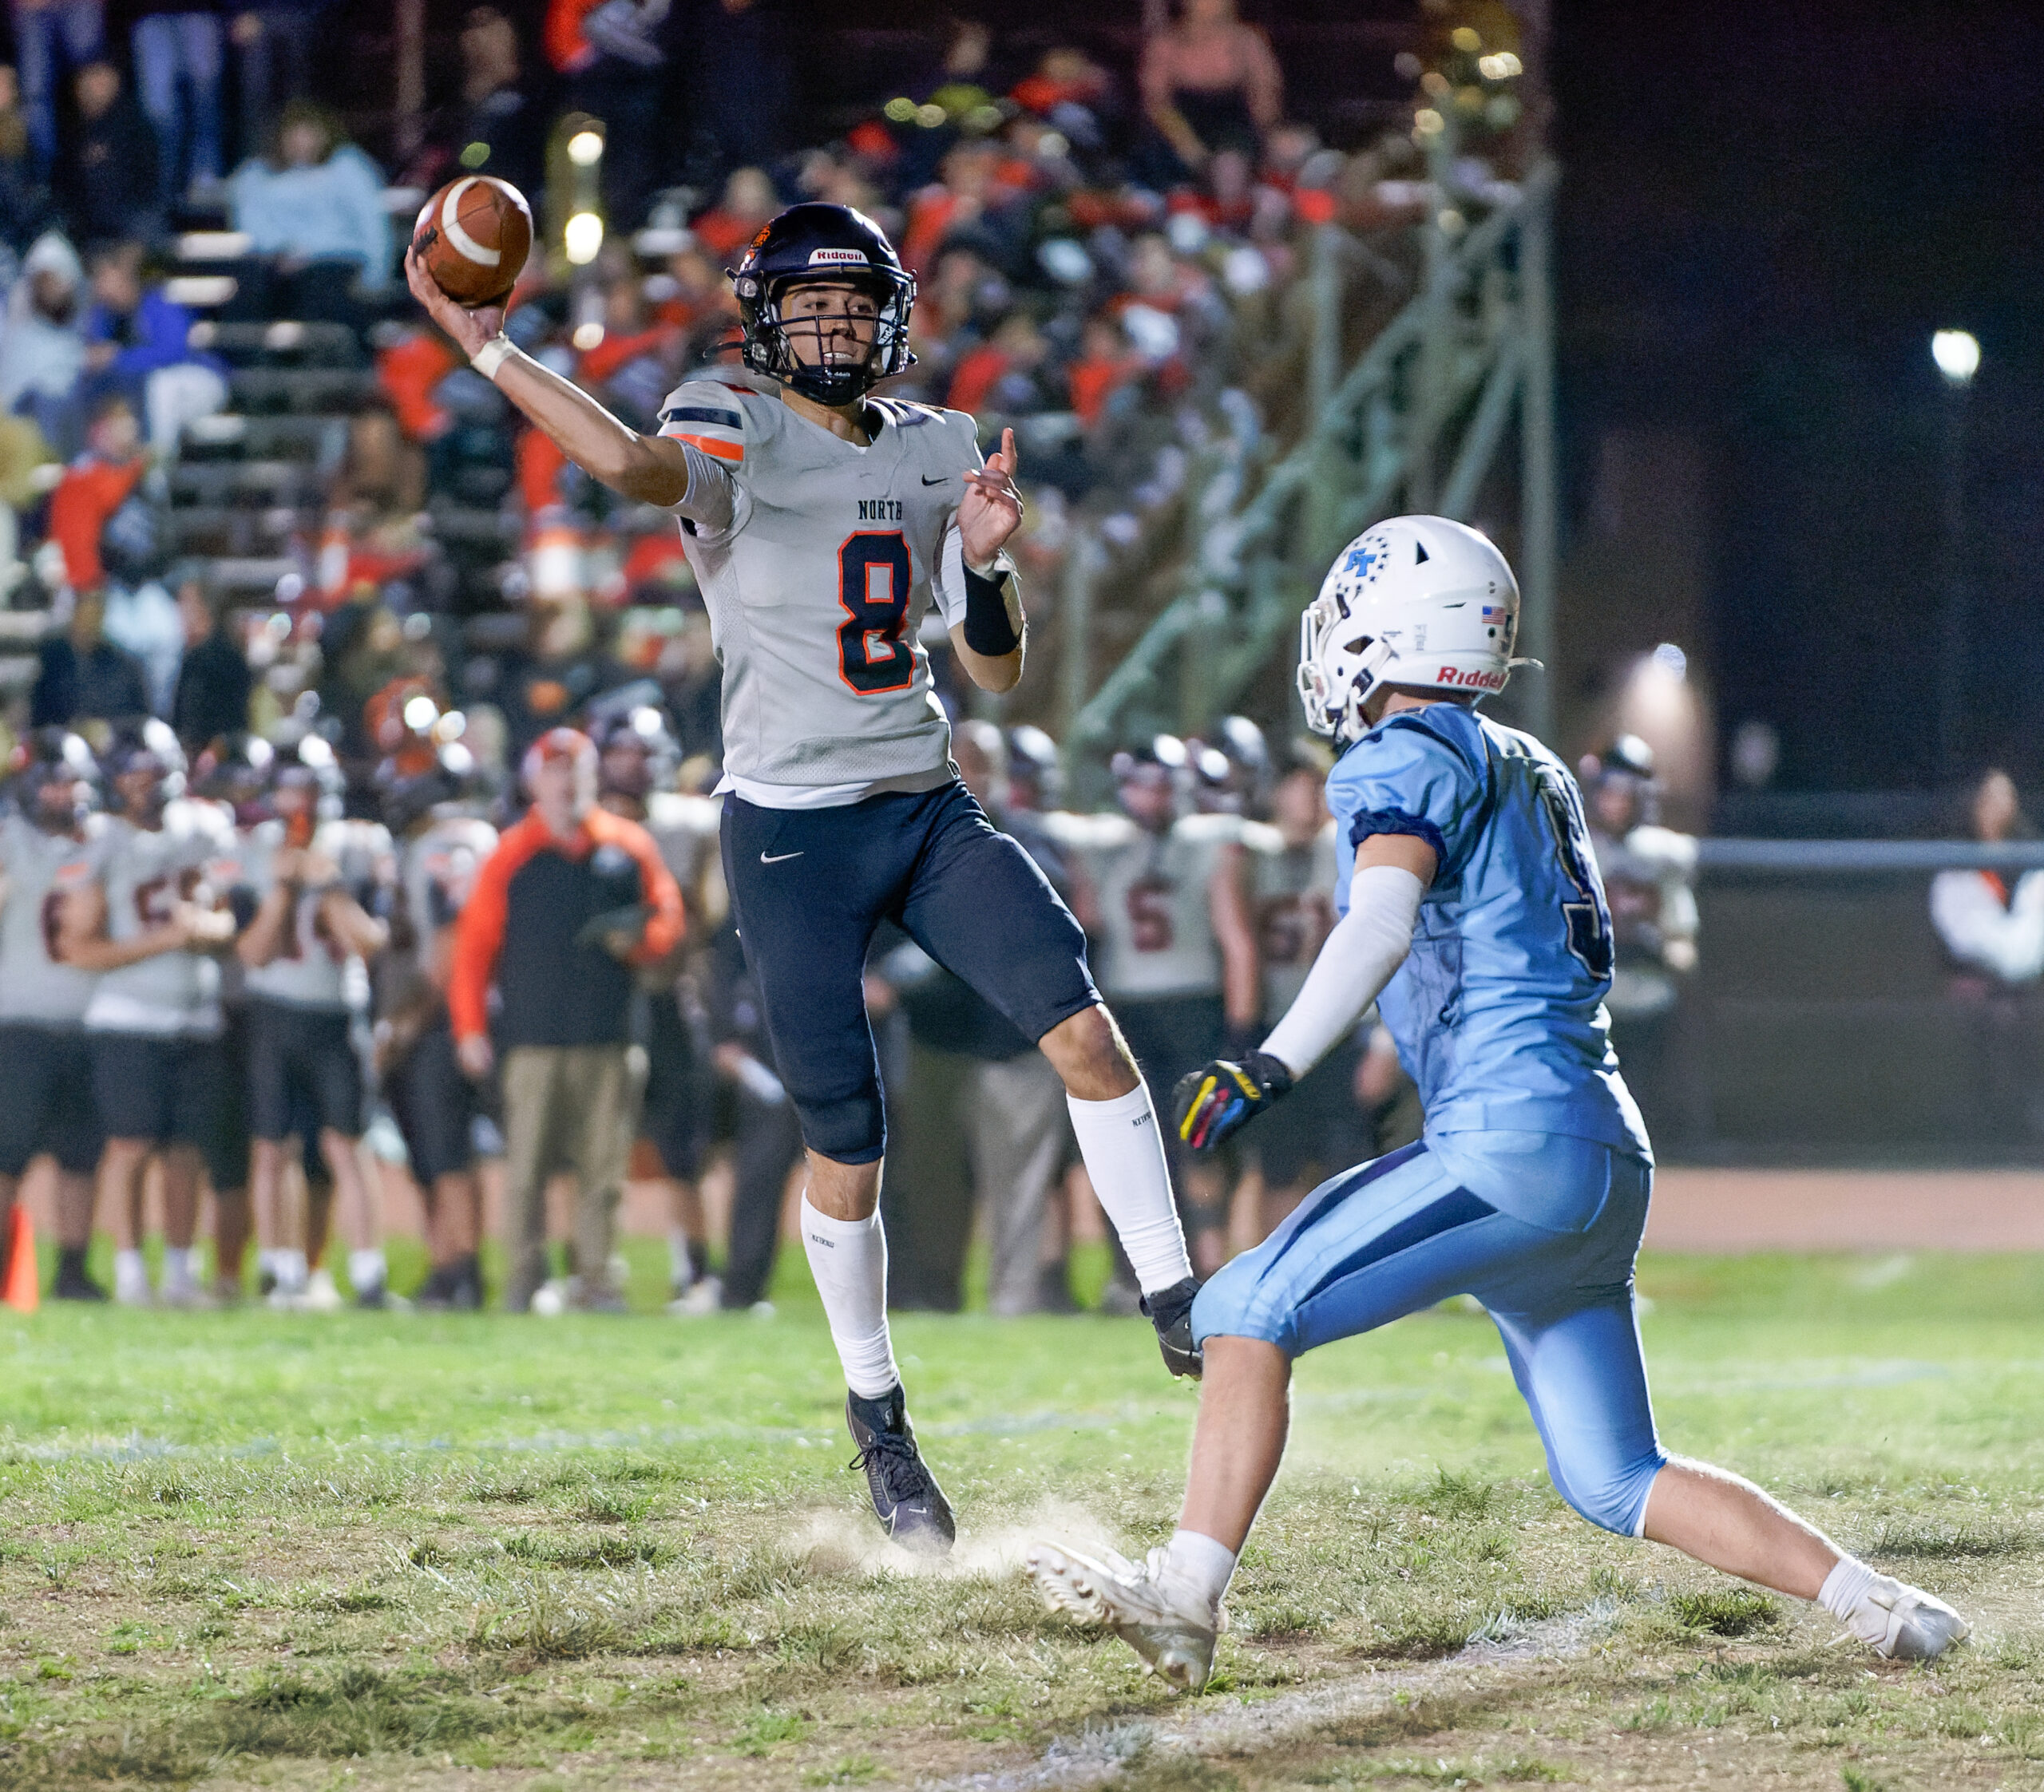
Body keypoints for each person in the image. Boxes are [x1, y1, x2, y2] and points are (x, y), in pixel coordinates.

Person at [1027, 515, 1971, 1688]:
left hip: (1506, 1142)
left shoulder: (1404, 754)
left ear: (1385, 637)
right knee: (1616, 1476)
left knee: (1243, 1305)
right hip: (1598, 1148)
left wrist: (1269, 1062)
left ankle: (1184, 1593)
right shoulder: (1533, 761)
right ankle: (1880, 1603)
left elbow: (1377, 921)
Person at [405, 200, 1203, 1557]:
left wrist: (995, 565)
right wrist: (496, 354)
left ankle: (1178, 1295)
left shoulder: (943, 446)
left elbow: (994, 669)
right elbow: (634, 470)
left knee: (1084, 1029)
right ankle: (880, 1417)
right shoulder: (730, 416)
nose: (831, 324)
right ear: (764, 316)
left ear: (888, 314)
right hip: (787, 832)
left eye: (852, 302)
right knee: (850, 1140)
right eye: (808, 301)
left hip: (922, 801)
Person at [447, 726, 683, 1312]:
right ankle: (525, 1281)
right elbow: (473, 950)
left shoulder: (627, 846)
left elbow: (668, 920)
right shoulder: (511, 855)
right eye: (554, 773)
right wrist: (470, 1027)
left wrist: (640, 942)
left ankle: (598, 1280)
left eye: (574, 773)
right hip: (531, 1038)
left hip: (609, 1033)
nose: (565, 785)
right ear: (535, 782)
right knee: (525, 1170)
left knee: (603, 1171)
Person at [1050, 734, 1258, 1284]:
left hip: (1179, 1004)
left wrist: (1239, 1026)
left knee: (1193, 1141)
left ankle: (1199, 1262)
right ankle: (1155, 1270)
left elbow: (1234, 939)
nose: (1154, 797)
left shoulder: (1115, 842)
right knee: (1149, 1144)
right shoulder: (1110, 843)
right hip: (1140, 1008)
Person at [65, 720, 238, 1306]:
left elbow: (226, 912)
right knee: (131, 1147)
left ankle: (182, 1273)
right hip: (129, 1016)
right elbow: (77, 946)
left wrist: (207, 928)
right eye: (132, 771)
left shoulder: (205, 826)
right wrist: (164, 940)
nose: (142, 783)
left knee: (188, 1152)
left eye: (152, 770)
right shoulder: (102, 839)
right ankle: (132, 1271)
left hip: (197, 1014)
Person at [234, 735, 394, 1308]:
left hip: (336, 1011)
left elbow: (371, 943)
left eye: (309, 787)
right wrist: (282, 890)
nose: (300, 800)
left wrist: (326, 888)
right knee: (270, 1147)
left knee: (348, 1145)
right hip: (275, 1010)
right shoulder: (256, 848)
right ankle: (279, 1270)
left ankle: (369, 1273)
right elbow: (251, 953)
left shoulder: (360, 843)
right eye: (292, 787)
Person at [584, 699, 723, 1311]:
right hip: (601, 1002)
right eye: (621, 753)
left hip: (669, 996)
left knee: (681, 1149)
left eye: (643, 754)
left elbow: (710, 911)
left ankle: (692, 1274)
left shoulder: (688, 823)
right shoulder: (581, 824)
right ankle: (593, 1270)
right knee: (593, 1145)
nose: (633, 766)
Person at [371, 690, 495, 1311]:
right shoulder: (452, 835)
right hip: (451, 1012)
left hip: (447, 1016)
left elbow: (448, 945)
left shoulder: (450, 840)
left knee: (446, 1150)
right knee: (435, 1149)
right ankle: (450, 1265)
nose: (398, 777)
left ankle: (460, 1270)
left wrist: (404, 1022)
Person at [0, 729, 112, 1300]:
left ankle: (73, 1268)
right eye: (55, 781)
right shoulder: (9, 839)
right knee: (6, 1156)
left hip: (89, 1021)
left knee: (80, 1155)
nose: (66, 793)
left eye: (73, 781)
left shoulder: (102, 840)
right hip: (18, 1022)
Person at [1582, 735, 1700, 1149]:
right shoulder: (1580, 850)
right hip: (1599, 992)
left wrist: (1672, 946)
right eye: (1609, 793)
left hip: (1649, 986)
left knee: (1647, 1093)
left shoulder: (1665, 853)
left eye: (1625, 793)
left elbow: (1680, 931)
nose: (1616, 803)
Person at [1930, 767, 2044, 1139]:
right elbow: (1953, 932)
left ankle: (2028, 1119)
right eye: (1990, 797)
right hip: (1976, 973)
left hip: (2028, 978)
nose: (1998, 806)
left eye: (2005, 796)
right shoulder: (1959, 859)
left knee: (2025, 1009)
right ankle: (1983, 1123)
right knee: (1987, 1010)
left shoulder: (2029, 856)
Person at [228, 100, 392, 314]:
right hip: (276, 268)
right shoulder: (255, 176)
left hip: (337, 266)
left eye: (309, 132)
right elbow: (251, 223)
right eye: (294, 132)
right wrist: (284, 249)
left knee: (322, 285)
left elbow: (373, 227)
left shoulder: (348, 168)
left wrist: (374, 278)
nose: (302, 141)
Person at [1138, 0, 1282, 180]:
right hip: (1179, 134)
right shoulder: (1166, 44)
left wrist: (1264, 137)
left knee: (1233, 167)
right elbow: (1157, 103)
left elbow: (1266, 94)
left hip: (1233, 132)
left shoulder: (1247, 42)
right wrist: (1189, 148)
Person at [60, 61, 161, 244]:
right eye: (89, 78)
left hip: (132, 226)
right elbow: (67, 194)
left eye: (101, 78)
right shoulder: (71, 134)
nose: (95, 86)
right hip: (88, 233)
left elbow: (147, 189)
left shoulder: (136, 127)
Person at [169, 580, 252, 751]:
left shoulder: (214, 659)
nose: (179, 611)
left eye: (185, 603)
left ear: (204, 608)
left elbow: (197, 724)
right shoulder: (196, 655)